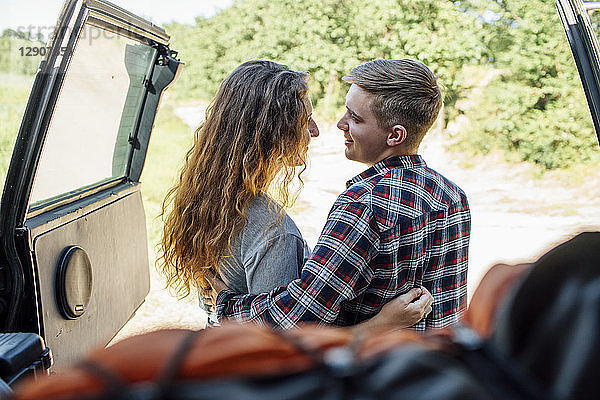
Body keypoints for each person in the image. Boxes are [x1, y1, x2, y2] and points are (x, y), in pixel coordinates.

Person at [159, 60, 433, 329]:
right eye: (305, 121)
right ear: (272, 132)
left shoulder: (210, 199)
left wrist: (223, 305)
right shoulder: (273, 232)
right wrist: (382, 324)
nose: (315, 131)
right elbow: (282, 343)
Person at [213, 59, 471, 331]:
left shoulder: (365, 204)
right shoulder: (454, 197)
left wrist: (225, 302)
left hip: (372, 369)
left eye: (355, 118)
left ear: (395, 136)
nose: (340, 124)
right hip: (436, 367)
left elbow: (295, 319)